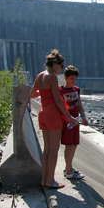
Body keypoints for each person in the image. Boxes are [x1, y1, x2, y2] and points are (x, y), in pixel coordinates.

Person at [30, 49, 78, 189]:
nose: (62, 69)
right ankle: (50, 181)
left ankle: (44, 180)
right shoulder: (51, 77)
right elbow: (58, 100)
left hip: (43, 113)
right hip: (53, 115)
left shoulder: (40, 75)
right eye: (61, 66)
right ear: (55, 64)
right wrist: (68, 117)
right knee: (54, 150)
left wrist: (45, 93)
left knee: (47, 149)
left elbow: (33, 93)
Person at [59, 65, 88, 179]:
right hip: (68, 123)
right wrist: (69, 119)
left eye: (75, 79)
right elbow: (61, 108)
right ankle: (69, 170)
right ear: (66, 78)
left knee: (74, 145)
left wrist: (84, 117)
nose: (73, 81)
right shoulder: (60, 90)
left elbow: (79, 104)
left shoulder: (76, 89)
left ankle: (68, 168)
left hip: (75, 122)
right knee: (69, 145)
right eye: (71, 79)